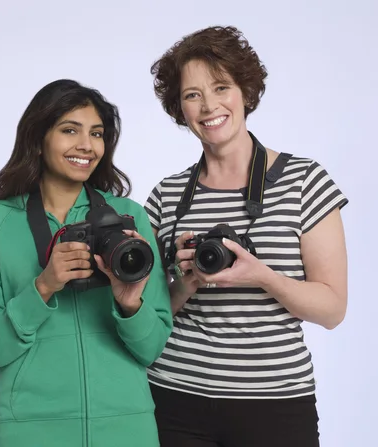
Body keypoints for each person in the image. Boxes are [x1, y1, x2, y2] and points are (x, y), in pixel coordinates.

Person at [144, 26, 348, 447]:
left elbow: (332, 310)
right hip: (174, 397)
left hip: (274, 405)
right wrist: (188, 282)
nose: (209, 106)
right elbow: (148, 312)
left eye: (221, 87)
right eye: (192, 94)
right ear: (179, 108)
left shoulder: (303, 181)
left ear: (245, 92)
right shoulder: (166, 195)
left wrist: (263, 277)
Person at [0, 79, 173, 447]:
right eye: (69, 130)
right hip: (32, 430)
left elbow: (152, 347)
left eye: (96, 133)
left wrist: (129, 303)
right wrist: (42, 287)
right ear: (38, 138)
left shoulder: (129, 218)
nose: (86, 145)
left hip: (125, 430)